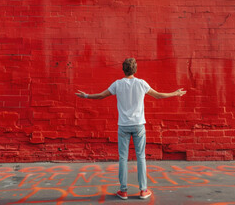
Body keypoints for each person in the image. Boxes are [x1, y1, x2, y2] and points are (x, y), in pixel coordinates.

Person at [75, 58, 186, 200]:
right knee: (141, 157)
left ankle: (123, 191)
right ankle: (143, 190)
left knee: (123, 158)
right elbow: (158, 95)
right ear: (135, 69)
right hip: (139, 125)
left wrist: (85, 96)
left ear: (123, 69)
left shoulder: (118, 84)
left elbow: (101, 96)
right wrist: (175, 93)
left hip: (123, 126)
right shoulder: (141, 83)